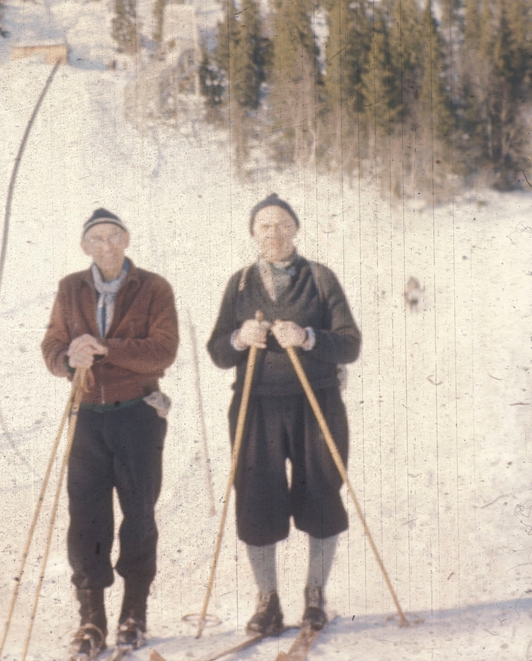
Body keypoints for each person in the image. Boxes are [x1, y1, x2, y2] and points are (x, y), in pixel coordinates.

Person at [206, 194, 361, 635]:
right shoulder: (239, 283)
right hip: (256, 407)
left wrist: (309, 337)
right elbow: (218, 351)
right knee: (256, 498)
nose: (273, 234)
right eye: (263, 227)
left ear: (295, 229)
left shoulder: (319, 278)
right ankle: (267, 600)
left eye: (281, 225)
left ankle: (315, 597)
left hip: (317, 404)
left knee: (322, 495)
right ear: (253, 234)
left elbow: (350, 342)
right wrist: (239, 337)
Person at [42, 208, 179, 657]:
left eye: (114, 237)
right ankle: (92, 620)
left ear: (127, 239)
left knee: (138, 514)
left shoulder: (154, 287)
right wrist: (68, 358)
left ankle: (134, 614)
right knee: (86, 519)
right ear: (85, 246)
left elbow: (162, 351)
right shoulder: (69, 288)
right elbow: (52, 345)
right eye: (96, 239)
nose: (106, 247)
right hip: (86, 415)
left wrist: (103, 348)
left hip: (137, 413)